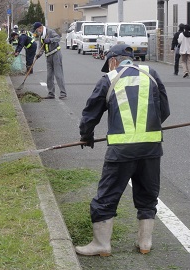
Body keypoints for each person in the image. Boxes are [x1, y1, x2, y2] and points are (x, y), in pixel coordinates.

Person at [75, 44, 170, 257]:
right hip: (151, 148)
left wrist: (86, 136)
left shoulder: (109, 79)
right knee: (147, 195)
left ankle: (101, 244)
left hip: (121, 152)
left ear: (113, 61)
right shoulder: (151, 74)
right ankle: (145, 243)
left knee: (108, 194)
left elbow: (90, 114)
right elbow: (164, 110)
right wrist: (149, 127)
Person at [33, 22, 67, 99]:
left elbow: (58, 38)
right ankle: (51, 93)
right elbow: (41, 47)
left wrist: (50, 40)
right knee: (49, 76)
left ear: (40, 27)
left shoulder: (50, 32)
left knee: (58, 74)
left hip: (56, 54)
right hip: (48, 56)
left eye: (37, 30)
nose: (37, 31)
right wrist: (38, 54)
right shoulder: (41, 36)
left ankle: (63, 93)